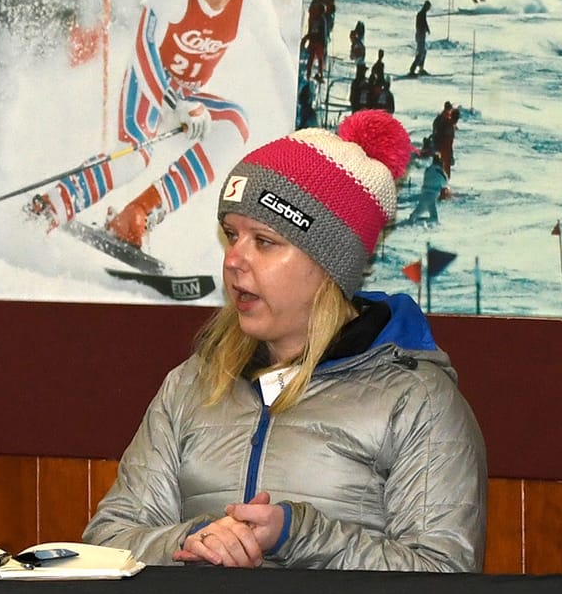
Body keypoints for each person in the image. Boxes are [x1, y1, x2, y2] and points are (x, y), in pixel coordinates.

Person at [83, 110, 487, 570]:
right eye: (232, 235)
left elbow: (445, 574)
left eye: (265, 241)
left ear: (329, 265)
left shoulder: (417, 400)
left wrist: (299, 536)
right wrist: (192, 539)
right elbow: (107, 545)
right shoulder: (191, 385)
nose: (234, 259)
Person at [25, 0, 291, 251]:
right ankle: (51, 206)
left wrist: (297, 128)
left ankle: (136, 215)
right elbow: (143, 49)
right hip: (149, 82)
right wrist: (175, 104)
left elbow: (278, 57)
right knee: (133, 160)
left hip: (189, 95)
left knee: (235, 124)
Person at [411, 0, 431, 76]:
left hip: (421, 35)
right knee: (421, 52)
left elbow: (425, 23)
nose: (429, 9)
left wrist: (427, 29)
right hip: (420, 35)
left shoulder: (423, 14)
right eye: (428, 7)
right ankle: (412, 69)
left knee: (423, 52)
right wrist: (424, 29)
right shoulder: (421, 14)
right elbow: (420, 24)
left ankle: (421, 68)